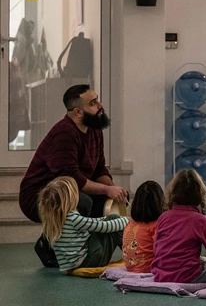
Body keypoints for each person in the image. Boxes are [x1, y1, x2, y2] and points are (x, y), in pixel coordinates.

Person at [19, 84, 127, 267]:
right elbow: (71, 179)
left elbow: (100, 168)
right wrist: (107, 189)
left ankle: (89, 248)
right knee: (83, 202)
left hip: (71, 190)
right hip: (40, 196)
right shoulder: (64, 133)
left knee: (108, 200)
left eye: (97, 99)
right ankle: (47, 244)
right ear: (77, 112)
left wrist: (114, 190)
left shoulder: (94, 129)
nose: (100, 105)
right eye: (93, 103)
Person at [38, 177, 128, 272]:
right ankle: (134, 256)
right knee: (113, 219)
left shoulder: (53, 221)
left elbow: (90, 222)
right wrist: (127, 220)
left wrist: (104, 219)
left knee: (109, 220)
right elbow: (104, 227)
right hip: (88, 261)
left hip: (72, 265)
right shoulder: (73, 218)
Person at [151, 170, 206, 283]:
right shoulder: (201, 220)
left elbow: (157, 248)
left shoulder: (163, 217)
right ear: (199, 193)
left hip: (161, 274)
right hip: (187, 275)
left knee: (202, 260)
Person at [123, 181, 165, 273]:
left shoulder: (131, 222)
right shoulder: (156, 225)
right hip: (148, 269)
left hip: (130, 267)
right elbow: (163, 251)